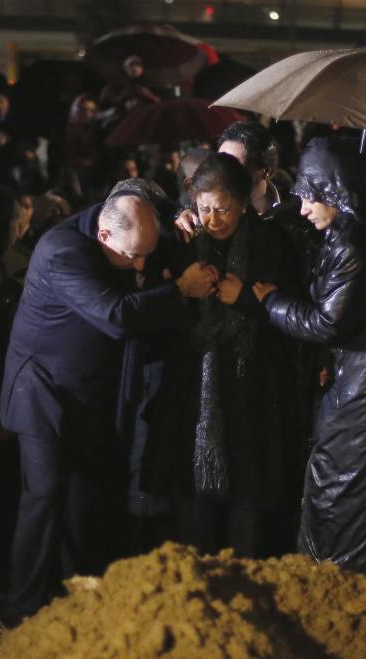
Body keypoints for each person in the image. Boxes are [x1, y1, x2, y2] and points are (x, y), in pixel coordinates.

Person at [0, 178, 219, 618]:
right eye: (133, 255)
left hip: (89, 391)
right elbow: (115, 316)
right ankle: (23, 612)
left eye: (146, 253)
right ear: (104, 234)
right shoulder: (63, 252)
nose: (140, 264)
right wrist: (180, 290)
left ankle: (79, 601)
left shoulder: (122, 225)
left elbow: (150, 204)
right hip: (42, 391)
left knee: (85, 502)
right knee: (43, 500)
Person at [252, 138, 366, 579]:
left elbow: (327, 324)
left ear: (334, 191)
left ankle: (346, 581)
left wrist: (270, 301)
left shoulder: (354, 244)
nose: (305, 206)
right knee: (360, 482)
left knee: (348, 485)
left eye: (312, 196)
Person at [136, 153, 304, 557]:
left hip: (252, 387)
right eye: (204, 208)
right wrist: (186, 288)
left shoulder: (273, 242)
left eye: (223, 209)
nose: (213, 219)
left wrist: (245, 299)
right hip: (194, 386)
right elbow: (162, 309)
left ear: (243, 203)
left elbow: (292, 312)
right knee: (195, 499)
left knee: (248, 495)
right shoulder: (186, 241)